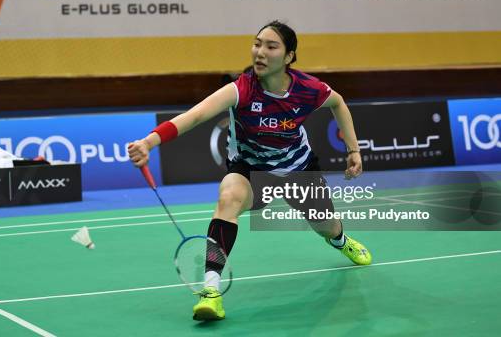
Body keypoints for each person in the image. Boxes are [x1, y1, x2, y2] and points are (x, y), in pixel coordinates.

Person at [128, 20, 371, 321]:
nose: (260, 52)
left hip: (298, 170)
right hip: (251, 172)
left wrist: (353, 149)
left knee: (327, 227)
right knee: (228, 198)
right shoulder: (241, 90)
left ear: (289, 57)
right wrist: (149, 142)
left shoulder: (307, 89)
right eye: (257, 44)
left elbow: (339, 103)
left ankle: (341, 241)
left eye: (271, 46)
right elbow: (194, 116)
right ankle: (211, 291)